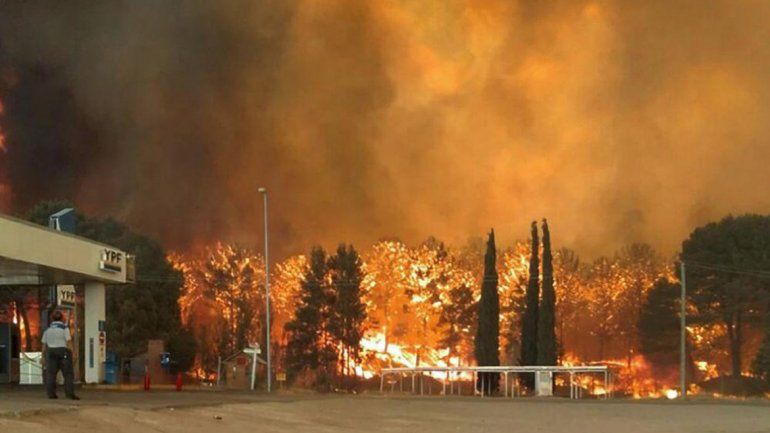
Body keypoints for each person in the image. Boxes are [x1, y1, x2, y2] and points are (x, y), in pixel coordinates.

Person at [41, 310, 80, 400]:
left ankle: (51, 394)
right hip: (63, 352)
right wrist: (73, 353)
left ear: (52, 318)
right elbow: (69, 341)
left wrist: (43, 356)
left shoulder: (47, 329)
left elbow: (44, 344)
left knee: (51, 374)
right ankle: (69, 394)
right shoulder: (64, 328)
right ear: (62, 318)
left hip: (51, 352)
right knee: (68, 374)